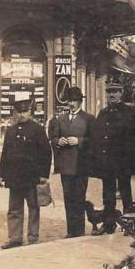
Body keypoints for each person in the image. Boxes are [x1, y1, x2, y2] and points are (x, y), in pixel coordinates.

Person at [90, 80, 135, 234]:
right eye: (109, 91)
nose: (111, 94)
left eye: (115, 91)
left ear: (121, 93)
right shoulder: (103, 113)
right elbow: (97, 137)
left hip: (124, 161)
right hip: (107, 162)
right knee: (108, 194)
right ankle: (109, 224)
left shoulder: (130, 113)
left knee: (125, 192)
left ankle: (129, 224)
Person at [0, 94, 52, 249]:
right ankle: (15, 238)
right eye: (19, 112)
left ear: (30, 112)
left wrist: (43, 175)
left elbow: (46, 153)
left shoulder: (38, 130)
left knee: (33, 207)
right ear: (15, 113)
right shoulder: (10, 131)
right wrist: (1, 174)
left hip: (32, 177)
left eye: (25, 112)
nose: (22, 115)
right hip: (14, 176)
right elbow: (5, 154)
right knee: (14, 209)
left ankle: (33, 237)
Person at [49, 86, 94, 238]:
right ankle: (71, 231)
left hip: (81, 165)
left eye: (75, 100)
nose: (71, 104)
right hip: (65, 165)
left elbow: (94, 141)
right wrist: (58, 141)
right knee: (68, 198)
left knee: (79, 197)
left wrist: (79, 141)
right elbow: (53, 138)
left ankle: (79, 231)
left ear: (80, 101)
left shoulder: (88, 119)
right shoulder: (60, 119)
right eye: (69, 101)